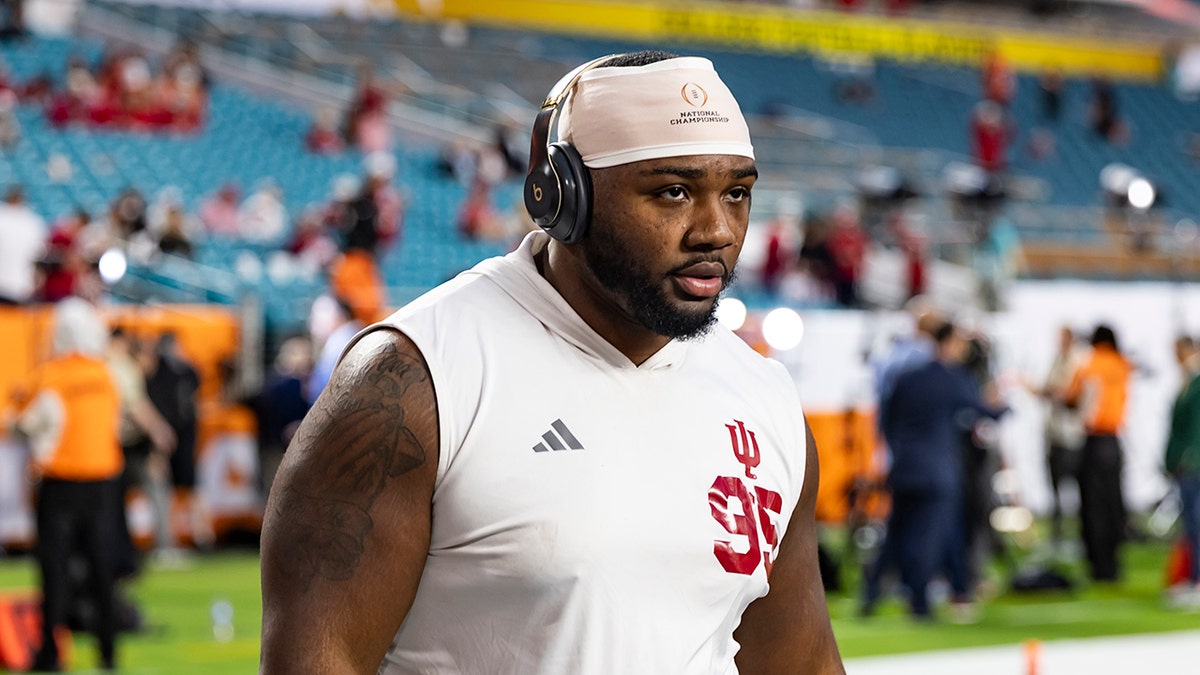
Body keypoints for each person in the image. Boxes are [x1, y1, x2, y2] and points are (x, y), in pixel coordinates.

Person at [260, 50, 845, 674]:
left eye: (736, 193)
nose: (717, 230)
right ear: (561, 196)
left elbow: (800, 660)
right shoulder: (415, 380)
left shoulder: (764, 397)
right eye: (673, 192)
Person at [6, 298, 123, 670]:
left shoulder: (52, 376)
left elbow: (28, 422)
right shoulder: (106, 374)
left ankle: (50, 651)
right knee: (101, 567)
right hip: (102, 480)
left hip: (60, 483)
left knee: (54, 569)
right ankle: (107, 648)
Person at [863, 320, 1007, 619]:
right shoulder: (954, 378)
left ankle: (870, 595)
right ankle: (919, 602)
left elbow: (885, 419)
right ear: (950, 343)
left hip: (904, 467)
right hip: (938, 471)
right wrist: (1004, 402)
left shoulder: (908, 377)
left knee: (895, 534)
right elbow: (987, 413)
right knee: (928, 537)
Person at [1063, 324, 1133, 582]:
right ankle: (1114, 564)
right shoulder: (1122, 364)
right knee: (1114, 504)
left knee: (1093, 507)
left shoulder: (1090, 363)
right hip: (1114, 441)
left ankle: (1098, 565)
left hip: (1094, 441)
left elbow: (1070, 397)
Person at [1034, 326, 1086, 543]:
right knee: (1055, 486)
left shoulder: (1078, 361)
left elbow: (1065, 392)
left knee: (1074, 485)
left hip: (1070, 436)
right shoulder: (1058, 360)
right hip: (1055, 434)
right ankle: (1058, 534)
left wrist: (1049, 390)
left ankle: (1080, 535)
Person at [1164, 335, 1200, 604]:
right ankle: (1191, 578)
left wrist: (1188, 456)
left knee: (1195, 523)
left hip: (1193, 463)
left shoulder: (1196, 381)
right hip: (1185, 463)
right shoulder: (1188, 381)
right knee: (1190, 524)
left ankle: (1196, 580)